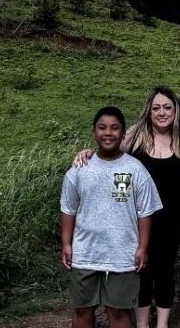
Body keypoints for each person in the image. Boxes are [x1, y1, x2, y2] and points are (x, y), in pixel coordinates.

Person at [73, 87, 180, 328]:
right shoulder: (136, 135)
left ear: (175, 111)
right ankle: (143, 324)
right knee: (141, 270)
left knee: (165, 270)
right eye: (156, 107)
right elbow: (109, 148)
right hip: (138, 218)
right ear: (149, 110)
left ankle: (162, 324)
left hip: (173, 219)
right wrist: (88, 153)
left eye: (167, 107)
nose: (162, 112)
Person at [61, 106, 163, 328]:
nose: (108, 133)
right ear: (94, 132)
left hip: (122, 253)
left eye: (114, 128)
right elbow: (68, 209)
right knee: (82, 309)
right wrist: (66, 244)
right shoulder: (79, 169)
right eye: (102, 128)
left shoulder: (135, 169)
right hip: (85, 252)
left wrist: (142, 247)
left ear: (123, 133)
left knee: (118, 311)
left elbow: (145, 212)